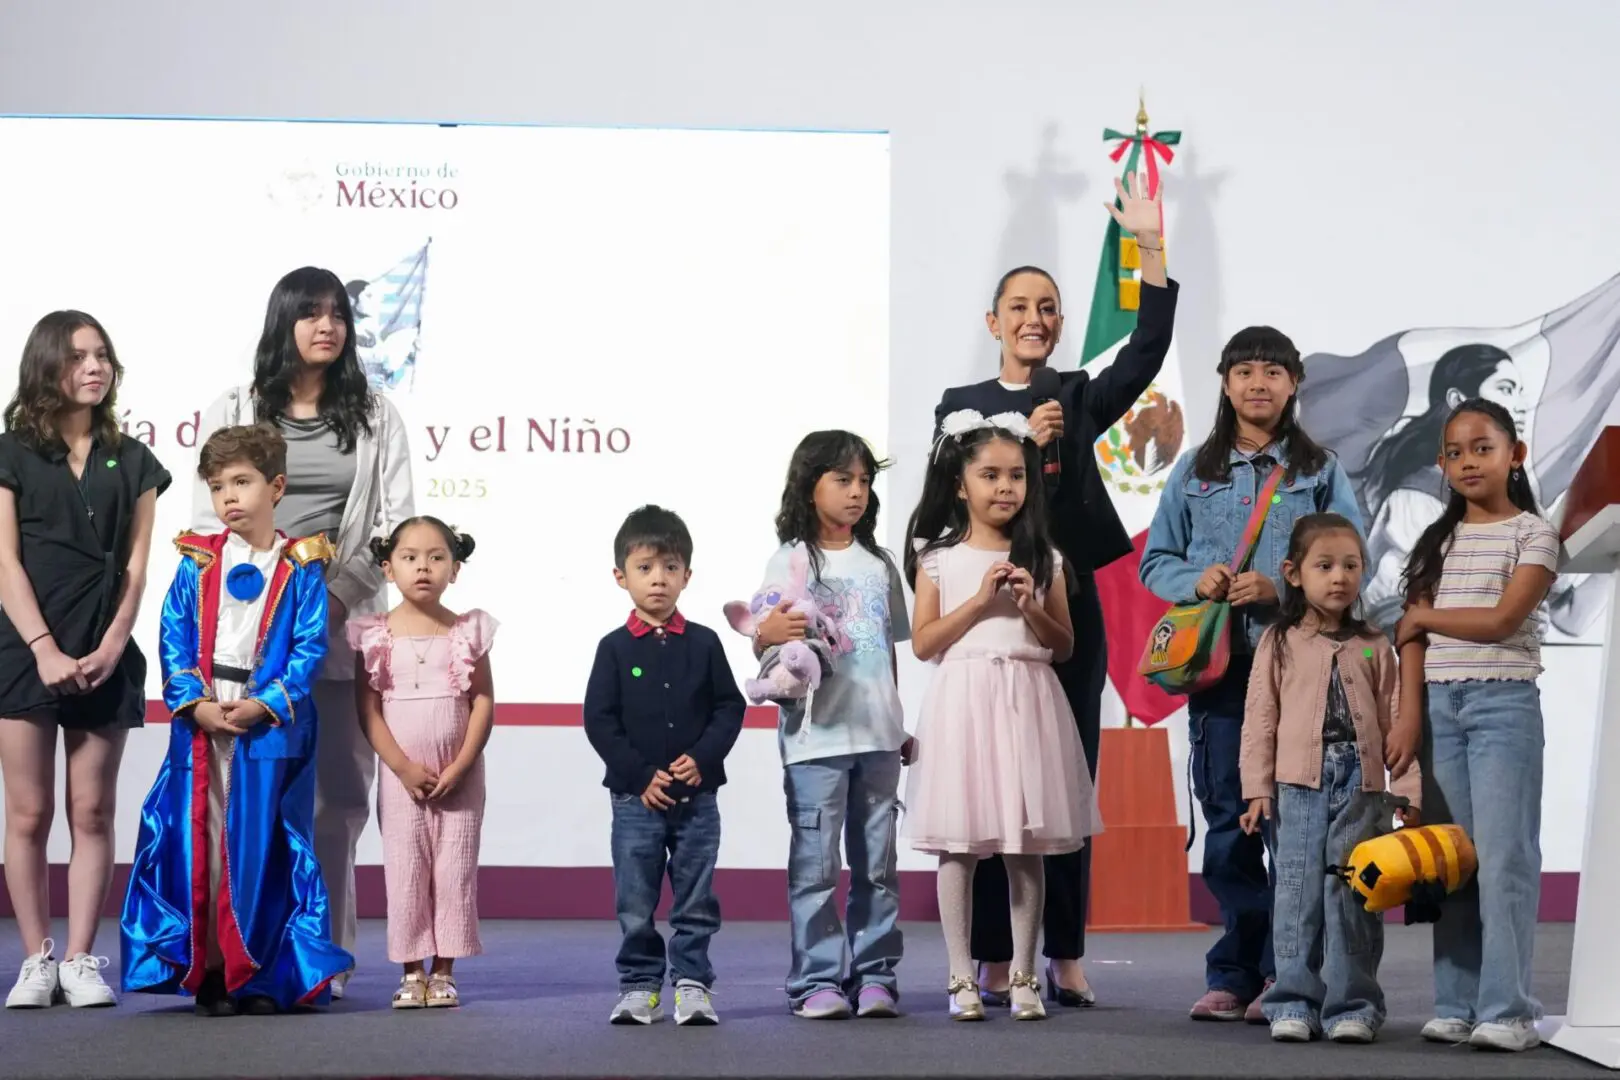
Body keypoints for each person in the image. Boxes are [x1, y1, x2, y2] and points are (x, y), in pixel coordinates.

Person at [933, 173, 1177, 1007]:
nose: (1035, 319)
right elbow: (944, 497)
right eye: (1020, 307)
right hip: (981, 618)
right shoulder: (960, 408)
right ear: (993, 322)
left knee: (1062, 777)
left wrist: (1149, 246)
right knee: (986, 784)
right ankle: (996, 957)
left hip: (1062, 609)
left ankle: (1064, 951)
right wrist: (1016, 440)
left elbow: (1144, 353)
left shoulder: (1074, 395)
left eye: (1049, 308)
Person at [193, 266, 415, 996]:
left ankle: (325, 957)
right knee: (239, 795)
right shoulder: (237, 405)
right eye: (312, 313)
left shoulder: (377, 416)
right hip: (244, 638)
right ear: (283, 319)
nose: (328, 326)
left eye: (339, 315)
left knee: (336, 801)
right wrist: (257, 614)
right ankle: (237, 950)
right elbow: (204, 530)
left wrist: (334, 603)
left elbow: (393, 529)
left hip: (336, 629)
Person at [1139, 326, 1368, 1022]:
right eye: (1245, 371)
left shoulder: (1319, 470)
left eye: (1273, 371)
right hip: (1219, 674)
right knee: (1230, 825)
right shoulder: (1194, 470)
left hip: (1301, 671)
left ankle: (1290, 976)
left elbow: (1355, 563)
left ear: (1294, 383)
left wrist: (1281, 591)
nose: (1259, 383)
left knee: (1295, 827)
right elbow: (1155, 562)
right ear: (1226, 382)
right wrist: (1194, 577)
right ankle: (1236, 971)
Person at [120, 424, 353, 1015]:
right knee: (208, 844)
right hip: (203, 720)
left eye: (242, 482)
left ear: (275, 487)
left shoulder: (301, 565)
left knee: (267, 846)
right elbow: (173, 636)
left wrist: (266, 702)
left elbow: (307, 647)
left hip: (267, 723)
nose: (229, 497)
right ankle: (216, 972)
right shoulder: (199, 563)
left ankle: (264, 974)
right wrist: (194, 702)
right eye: (218, 485)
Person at [902, 411, 1100, 1021]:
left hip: (1027, 699)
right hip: (964, 701)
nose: (1005, 487)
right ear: (961, 485)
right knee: (958, 847)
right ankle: (961, 975)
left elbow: (1062, 644)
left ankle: (1023, 975)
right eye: (989, 475)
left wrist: (1026, 603)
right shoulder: (936, 558)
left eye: (1016, 475)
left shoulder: (1047, 558)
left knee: (1025, 844)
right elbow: (925, 642)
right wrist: (981, 600)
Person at [0, 311, 170, 1009]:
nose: (94, 367)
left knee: (93, 810)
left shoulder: (132, 461)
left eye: (102, 355)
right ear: (48, 367)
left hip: (105, 647)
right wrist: (43, 649)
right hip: (23, 649)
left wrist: (108, 645)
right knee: (30, 814)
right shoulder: (11, 451)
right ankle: (36, 959)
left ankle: (79, 959)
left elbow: (136, 566)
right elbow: (4, 560)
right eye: (78, 357)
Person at [1393, 398, 1558, 1053]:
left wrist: (1426, 620)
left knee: (1506, 858)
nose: (1467, 461)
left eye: (1482, 447)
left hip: (1502, 706)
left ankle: (1509, 1009)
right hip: (1437, 711)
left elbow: (1501, 621)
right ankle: (1458, 1003)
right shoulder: (1434, 542)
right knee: (1451, 863)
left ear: (1513, 454)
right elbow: (1407, 639)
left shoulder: (1533, 535)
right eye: (1455, 452)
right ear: (1440, 463)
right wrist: (1407, 717)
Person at [1237, 512, 1422, 1044]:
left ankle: (1354, 1005)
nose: (1339, 577)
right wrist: (1257, 790)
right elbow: (1260, 721)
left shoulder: (1373, 644)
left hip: (1362, 789)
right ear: (1295, 573)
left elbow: (1395, 723)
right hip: (1297, 786)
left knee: (1353, 894)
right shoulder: (1280, 641)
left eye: (1350, 565)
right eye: (1325, 566)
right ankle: (1292, 1001)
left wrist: (1406, 793)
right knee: (1296, 893)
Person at [749, 431, 914, 1020]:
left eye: (866, 481)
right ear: (809, 483)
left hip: (878, 740)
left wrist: (899, 723)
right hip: (815, 740)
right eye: (843, 480)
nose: (857, 493)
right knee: (816, 868)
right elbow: (766, 645)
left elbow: (888, 649)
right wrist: (766, 636)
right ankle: (816, 980)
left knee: (878, 866)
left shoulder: (879, 564)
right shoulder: (788, 558)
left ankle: (875, 975)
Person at [583, 505, 745, 1027]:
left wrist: (701, 758)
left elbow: (729, 707)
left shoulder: (704, 642)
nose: (658, 579)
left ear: (687, 576)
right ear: (620, 577)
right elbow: (599, 721)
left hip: (697, 800)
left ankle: (693, 984)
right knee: (635, 899)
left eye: (670, 567)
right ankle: (639, 986)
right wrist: (638, 776)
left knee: (696, 897)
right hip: (636, 800)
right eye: (646, 567)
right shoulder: (613, 648)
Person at [347, 517, 495, 1010]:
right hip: (401, 777)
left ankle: (444, 971)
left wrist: (461, 766)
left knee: (454, 871)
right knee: (406, 869)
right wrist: (403, 768)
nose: (423, 567)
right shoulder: (374, 635)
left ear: (454, 568)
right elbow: (368, 710)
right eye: (410, 558)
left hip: (460, 777)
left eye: (436, 557)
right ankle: (412, 971)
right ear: (389, 568)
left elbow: (483, 702)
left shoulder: (468, 631)